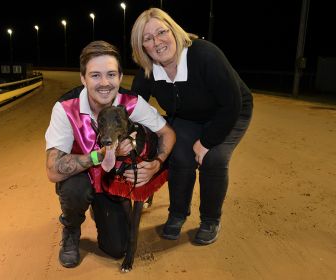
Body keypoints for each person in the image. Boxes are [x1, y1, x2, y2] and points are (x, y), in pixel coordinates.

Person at [45, 40, 175, 268]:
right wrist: (100, 155)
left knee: (117, 249)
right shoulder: (66, 107)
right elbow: (53, 170)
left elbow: (167, 133)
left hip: (111, 182)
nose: (105, 83)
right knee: (74, 188)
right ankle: (71, 229)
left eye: (111, 75)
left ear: (120, 76)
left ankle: (101, 210)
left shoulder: (132, 102)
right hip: (82, 177)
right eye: (95, 75)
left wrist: (156, 163)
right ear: (83, 78)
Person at [130, 8, 253, 245]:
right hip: (188, 116)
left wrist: (206, 143)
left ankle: (210, 219)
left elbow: (232, 102)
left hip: (229, 111)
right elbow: (133, 106)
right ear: (141, 46)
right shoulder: (149, 71)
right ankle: (177, 213)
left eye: (161, 32)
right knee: (178, 153)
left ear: (173, 30)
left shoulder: (204, 55)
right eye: (147, 38)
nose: (157, 42)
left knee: (214, 158)